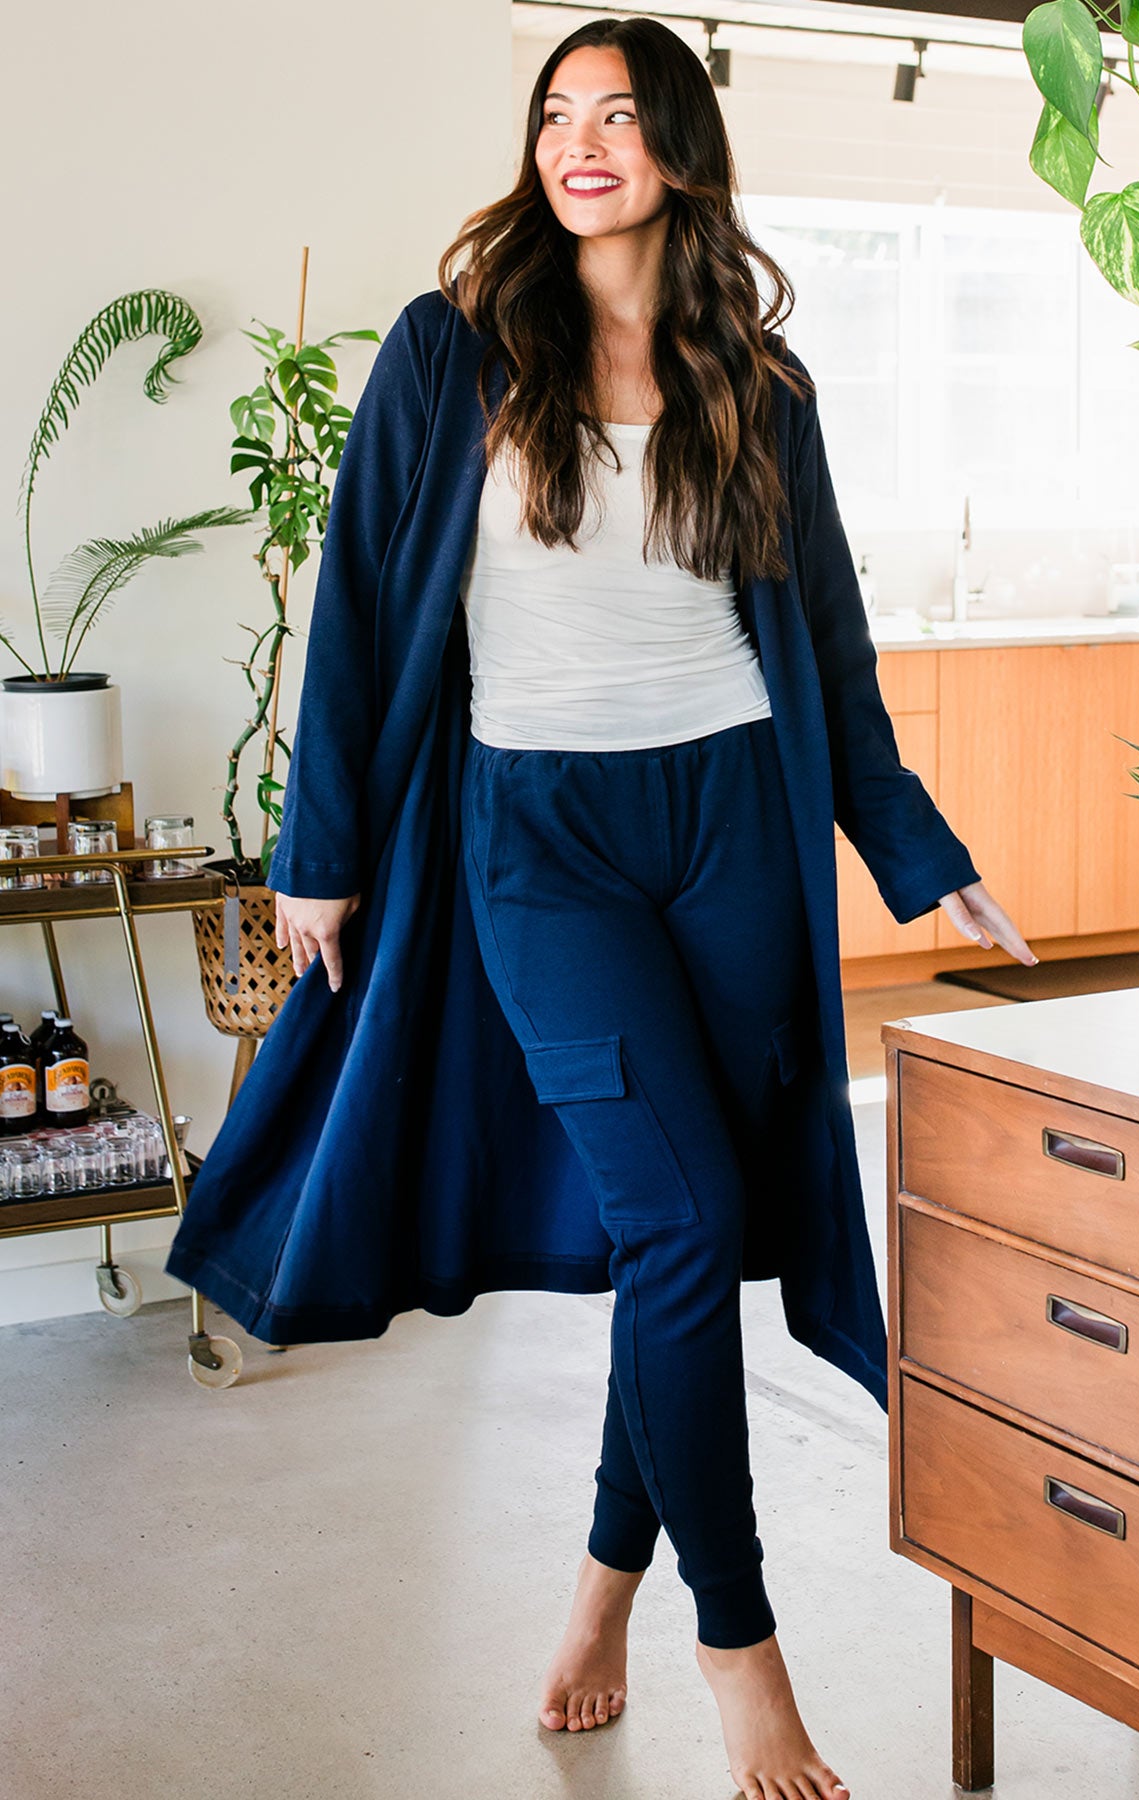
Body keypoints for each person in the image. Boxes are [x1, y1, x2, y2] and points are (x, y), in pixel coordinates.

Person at [263, 19, 1035, 1800]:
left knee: (673, 1241)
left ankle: (605, 1587)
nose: (579, 141)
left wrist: (917, 852)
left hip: (731, 833)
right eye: (555, 113)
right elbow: (362, 616)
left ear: (679, 148)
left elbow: (826, 654)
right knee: (684, 1223)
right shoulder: (450, 353)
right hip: (541, 841)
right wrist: (321, 853)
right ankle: (739, 1649)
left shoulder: (761, 384)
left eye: (617, 115)